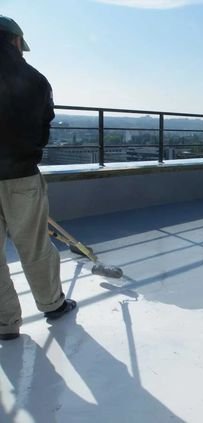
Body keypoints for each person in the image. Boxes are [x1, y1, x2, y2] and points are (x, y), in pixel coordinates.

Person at [0, 15, 76, 341]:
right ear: (16, 41)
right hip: (21, 176)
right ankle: (53, 304)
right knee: (34, 247)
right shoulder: (36, 80)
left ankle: (5, 324)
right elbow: (44, 127)